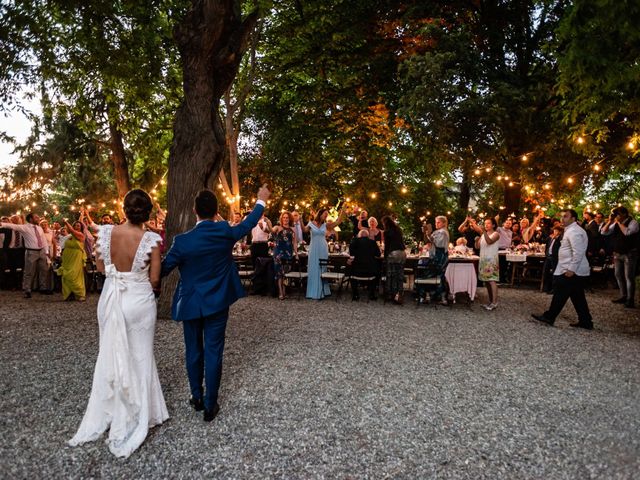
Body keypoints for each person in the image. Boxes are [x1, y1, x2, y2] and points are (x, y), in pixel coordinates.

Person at [69, 189, 169, 458]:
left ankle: (113, 408)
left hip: (111, 299)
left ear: (125, 209)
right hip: (138, 301)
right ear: (147, 211)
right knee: (140, 355)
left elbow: (101, 269)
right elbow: (156, 280)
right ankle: (142, 412)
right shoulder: (150, 239)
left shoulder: (104, 232)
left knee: (110, 352)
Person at [161, 185, 270, 422]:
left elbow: (162, 269)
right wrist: (260, 201)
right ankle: (211, 404)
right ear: (216, 210)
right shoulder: (224, 231)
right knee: (214, 351)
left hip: (190, 303)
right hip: (218, 302)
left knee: (193, 350)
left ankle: (197, 396)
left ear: (194, 211)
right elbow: (248, 224)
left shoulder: (182, 242)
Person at [532, 209, 593, 329]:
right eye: (562, 216)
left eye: (565, 216)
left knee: (560, 292)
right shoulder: (570, 230)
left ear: (573, 219)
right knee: (577, 296)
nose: (562, 219)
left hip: (571, 270)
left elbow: (578, 252)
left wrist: (572, 269)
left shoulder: (575, 232)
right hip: (569, 268)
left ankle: (550, 317)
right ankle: (586, 321)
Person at [0, 213, 50, 298]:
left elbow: (43, 240)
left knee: (44, 270)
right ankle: (27, 290)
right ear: (30, 219)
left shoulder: (39, 228)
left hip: (41, 251)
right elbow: (13, 226)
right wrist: (2, 224)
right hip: (31, 252)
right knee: (29, 272)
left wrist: (46, 251)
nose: (38, 218)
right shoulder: (25, 227)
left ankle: (43, 288)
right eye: (36, 217)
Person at [600, 206, 639, 308]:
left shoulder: (633, 222)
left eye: (617, 214)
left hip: (629, 254)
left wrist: (618, 223)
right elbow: (604, 232)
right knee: (618, 275)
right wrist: (610, 221)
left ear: (624, 214)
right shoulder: (616, 223)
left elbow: (628, 232)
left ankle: (630, 300)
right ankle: (623, 296)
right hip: (617, 254)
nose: (616, 216)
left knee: (629, 277)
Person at [304, 206, 346, 299]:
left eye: (327, 215)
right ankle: (312, 291)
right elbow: (304, 230)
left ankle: (323, 290)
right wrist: (298, 220)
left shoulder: (326, 225)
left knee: (322, 267)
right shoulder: (311, 223)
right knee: (313, 267)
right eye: (325, 214)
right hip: (314, 247)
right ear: (320, 214)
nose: (326, 216)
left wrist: (343, 211)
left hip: (323, 248)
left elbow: (338, 222)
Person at [471, 217, 500, 310]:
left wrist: (483, 232)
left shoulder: (496, 234)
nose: (486, 225)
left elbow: (489, 241)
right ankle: (490, 301)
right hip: (483, 260)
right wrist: (476, 240)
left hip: (491, 259)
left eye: (488, 223)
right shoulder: (484, 234)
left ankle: (495, 302)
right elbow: (478, 247)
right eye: (485, 223)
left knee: (492, 280)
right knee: (486, 281)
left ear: (493, 225)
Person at [57, 220, 87, 301]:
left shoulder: (81, 235)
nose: (76, 227)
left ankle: (80, 294)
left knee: (74, 275)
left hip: (76, 257)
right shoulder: (69, 236)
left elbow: (73, 231)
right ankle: (69, 294)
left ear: (81, 228)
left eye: (78, 226)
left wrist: (66, 223)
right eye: (75, 225)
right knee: (65, 275)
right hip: (67, 258)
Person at [423, 215, 450, 304]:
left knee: (438, 275)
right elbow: (428, 242)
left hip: (440, 256)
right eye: (436, 222)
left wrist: (429, 235)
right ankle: (438, 296)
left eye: (438, 222)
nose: (436, 224)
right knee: (439, 276)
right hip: (437, 255)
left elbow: (438, 244)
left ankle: (440, 297)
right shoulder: (438, 232)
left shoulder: (442, 232)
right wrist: (426, 234)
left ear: (444, 223)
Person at [272, 211, 298, 300]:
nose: (285, 219)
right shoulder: (278, 227)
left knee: (285, 273)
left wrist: (296, 254)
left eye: (287, 218)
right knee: (279, 273)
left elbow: (294, 243)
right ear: (281, 219)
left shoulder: (293, 229)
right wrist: (267, 223)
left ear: (289, 219)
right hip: (278, 253)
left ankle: (284, 290)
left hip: (288, 253)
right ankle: (281, 292)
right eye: (284, 217)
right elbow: (270, 231)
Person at [348, 229, 381, 301]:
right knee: (378, 272)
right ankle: (372, 294)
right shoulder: (372, 242)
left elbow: (351, 254)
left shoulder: (354, 242)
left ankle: (355, 294)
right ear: (368, 236)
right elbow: (378, 254)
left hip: (356, 271)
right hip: (370, 271)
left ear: (359, 235)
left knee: (350, 271)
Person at [381, 215, 406, 304]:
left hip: (393, 253)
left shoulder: (387, 231)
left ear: (385, 223)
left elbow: (387, 246)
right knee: (400, 275)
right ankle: (399, 295)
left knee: (391, 275)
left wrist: (385, 257)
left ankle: (391, 294)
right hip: (402, 253)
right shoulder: (398, 229)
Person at [541, 225, 563, 294]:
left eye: (556, 231)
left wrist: (556, 238)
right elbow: (544, 242)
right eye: (554, 230)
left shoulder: (560, 238)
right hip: (548, 256)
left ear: (559, 232)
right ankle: (546, 287)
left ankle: (554, 289)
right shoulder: (551, 237)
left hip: (555, 257)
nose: (555, 232)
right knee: (546, 271)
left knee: (554, 273)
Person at [496, 217, 513, 283]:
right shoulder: (499, 229)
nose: (508, 224)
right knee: (500, 264)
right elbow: (495, 226)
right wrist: (496, 219)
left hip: (507, 249)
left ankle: (503, 278)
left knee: (505, 265)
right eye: (507, 223)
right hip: (500, 249)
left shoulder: (511, 232)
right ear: (504, 223)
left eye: (510, 223)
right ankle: (499, 278)